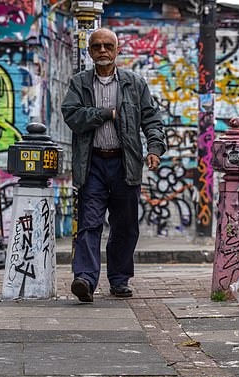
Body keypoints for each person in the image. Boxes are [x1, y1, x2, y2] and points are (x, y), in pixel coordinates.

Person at [61, 28, 166, 303]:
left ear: (117, 50)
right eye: (97, 47)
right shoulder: (79, 84)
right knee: (89, 223)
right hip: (92, 163)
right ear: (90, 52)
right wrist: (106, 114)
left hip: (124, 163)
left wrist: (155, 148)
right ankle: (84, 278)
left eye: (108, 46)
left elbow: (152, 120)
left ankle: (119, 280)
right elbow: (71, 115)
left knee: (125, 226)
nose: (103, 51)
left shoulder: (134, 83)